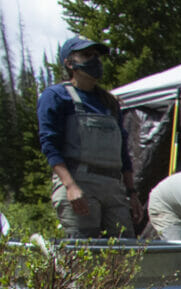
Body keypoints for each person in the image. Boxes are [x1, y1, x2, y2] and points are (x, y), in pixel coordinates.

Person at [36, 35, 139, 238]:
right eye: (86, 55)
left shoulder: (109, 102)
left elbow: (123, 153)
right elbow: (49, 145)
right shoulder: (56, 96)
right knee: (84, 251)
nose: (95, 60)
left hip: (113, 187)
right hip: (79, 181)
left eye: (97, 56)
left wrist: (131, 192)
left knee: (126, 251)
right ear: (69, 63)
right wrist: (70, 186)